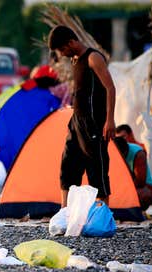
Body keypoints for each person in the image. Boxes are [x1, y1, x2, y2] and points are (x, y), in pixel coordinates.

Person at [48, 26, 116, 207]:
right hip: (76, 122)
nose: (62, 54)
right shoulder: (74, 59)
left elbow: (110, 88)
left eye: (62, 49)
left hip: (94, 123)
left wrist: (110, 119)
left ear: (71, 42)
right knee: (68, 166)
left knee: (97, 170)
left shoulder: (93, 58)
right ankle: (65, 212)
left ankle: (102, 215)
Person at [114, 126, 152, 210]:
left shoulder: (138, 153)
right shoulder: (112, 152)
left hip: (140, 187)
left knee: (140, 195)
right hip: (122, 187)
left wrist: (121, 192)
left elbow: (140, 182)